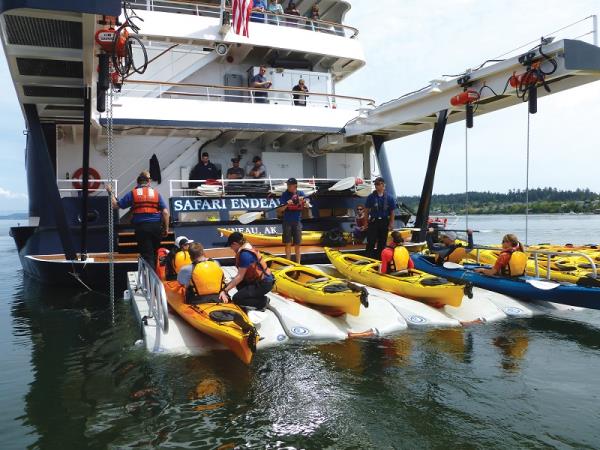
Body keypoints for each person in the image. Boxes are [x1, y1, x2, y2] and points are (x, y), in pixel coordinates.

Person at [107, 171, 169, 270]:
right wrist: (166, 228)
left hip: (142, 228)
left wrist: (110, 192)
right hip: (156, 227)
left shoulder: (133, 193)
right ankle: (156, 277)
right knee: (154, 253)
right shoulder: (156, 193)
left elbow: (115, 205)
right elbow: (165, 212)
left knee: (147, 255)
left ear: (137, 183)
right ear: (148, 182)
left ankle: (151, 281)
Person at [219, 232, 274, 309]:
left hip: (264, 284)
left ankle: (263, 301)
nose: (231, 249)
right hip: (260, 280)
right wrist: (226, 286)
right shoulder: (247, 247)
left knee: (237, 299)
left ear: (235, 244)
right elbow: (239, 278)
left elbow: (240, 277)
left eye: (231, 246)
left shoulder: (245, 255)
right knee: (238, 284)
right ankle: (251, 297)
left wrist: (225, 291)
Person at [280, 177, 310, 263]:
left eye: (290, 185)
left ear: (295, 186)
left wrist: (305, 201)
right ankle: (288, 263)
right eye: (288, 185)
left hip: (297, 222)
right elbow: (280, 209)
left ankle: (298, 263)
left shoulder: (301, 193)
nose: (288, 186)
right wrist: (287, 204)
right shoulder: (284, 195)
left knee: (297, 244)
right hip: (287, 222)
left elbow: (307, 205)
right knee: (288, 243)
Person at [364, 177, 396, 258]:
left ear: (383, 185)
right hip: (374, 221)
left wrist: (391, 224)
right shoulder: (371, 197)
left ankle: (380, 259)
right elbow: (366, 210)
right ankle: (368, 258)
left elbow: (392, 212)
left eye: (378, 184)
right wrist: (365, 222)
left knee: (382, 242)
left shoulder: (390, 198)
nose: (376, 186)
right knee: (371, 241)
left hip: (384, 222)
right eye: (375, 184)